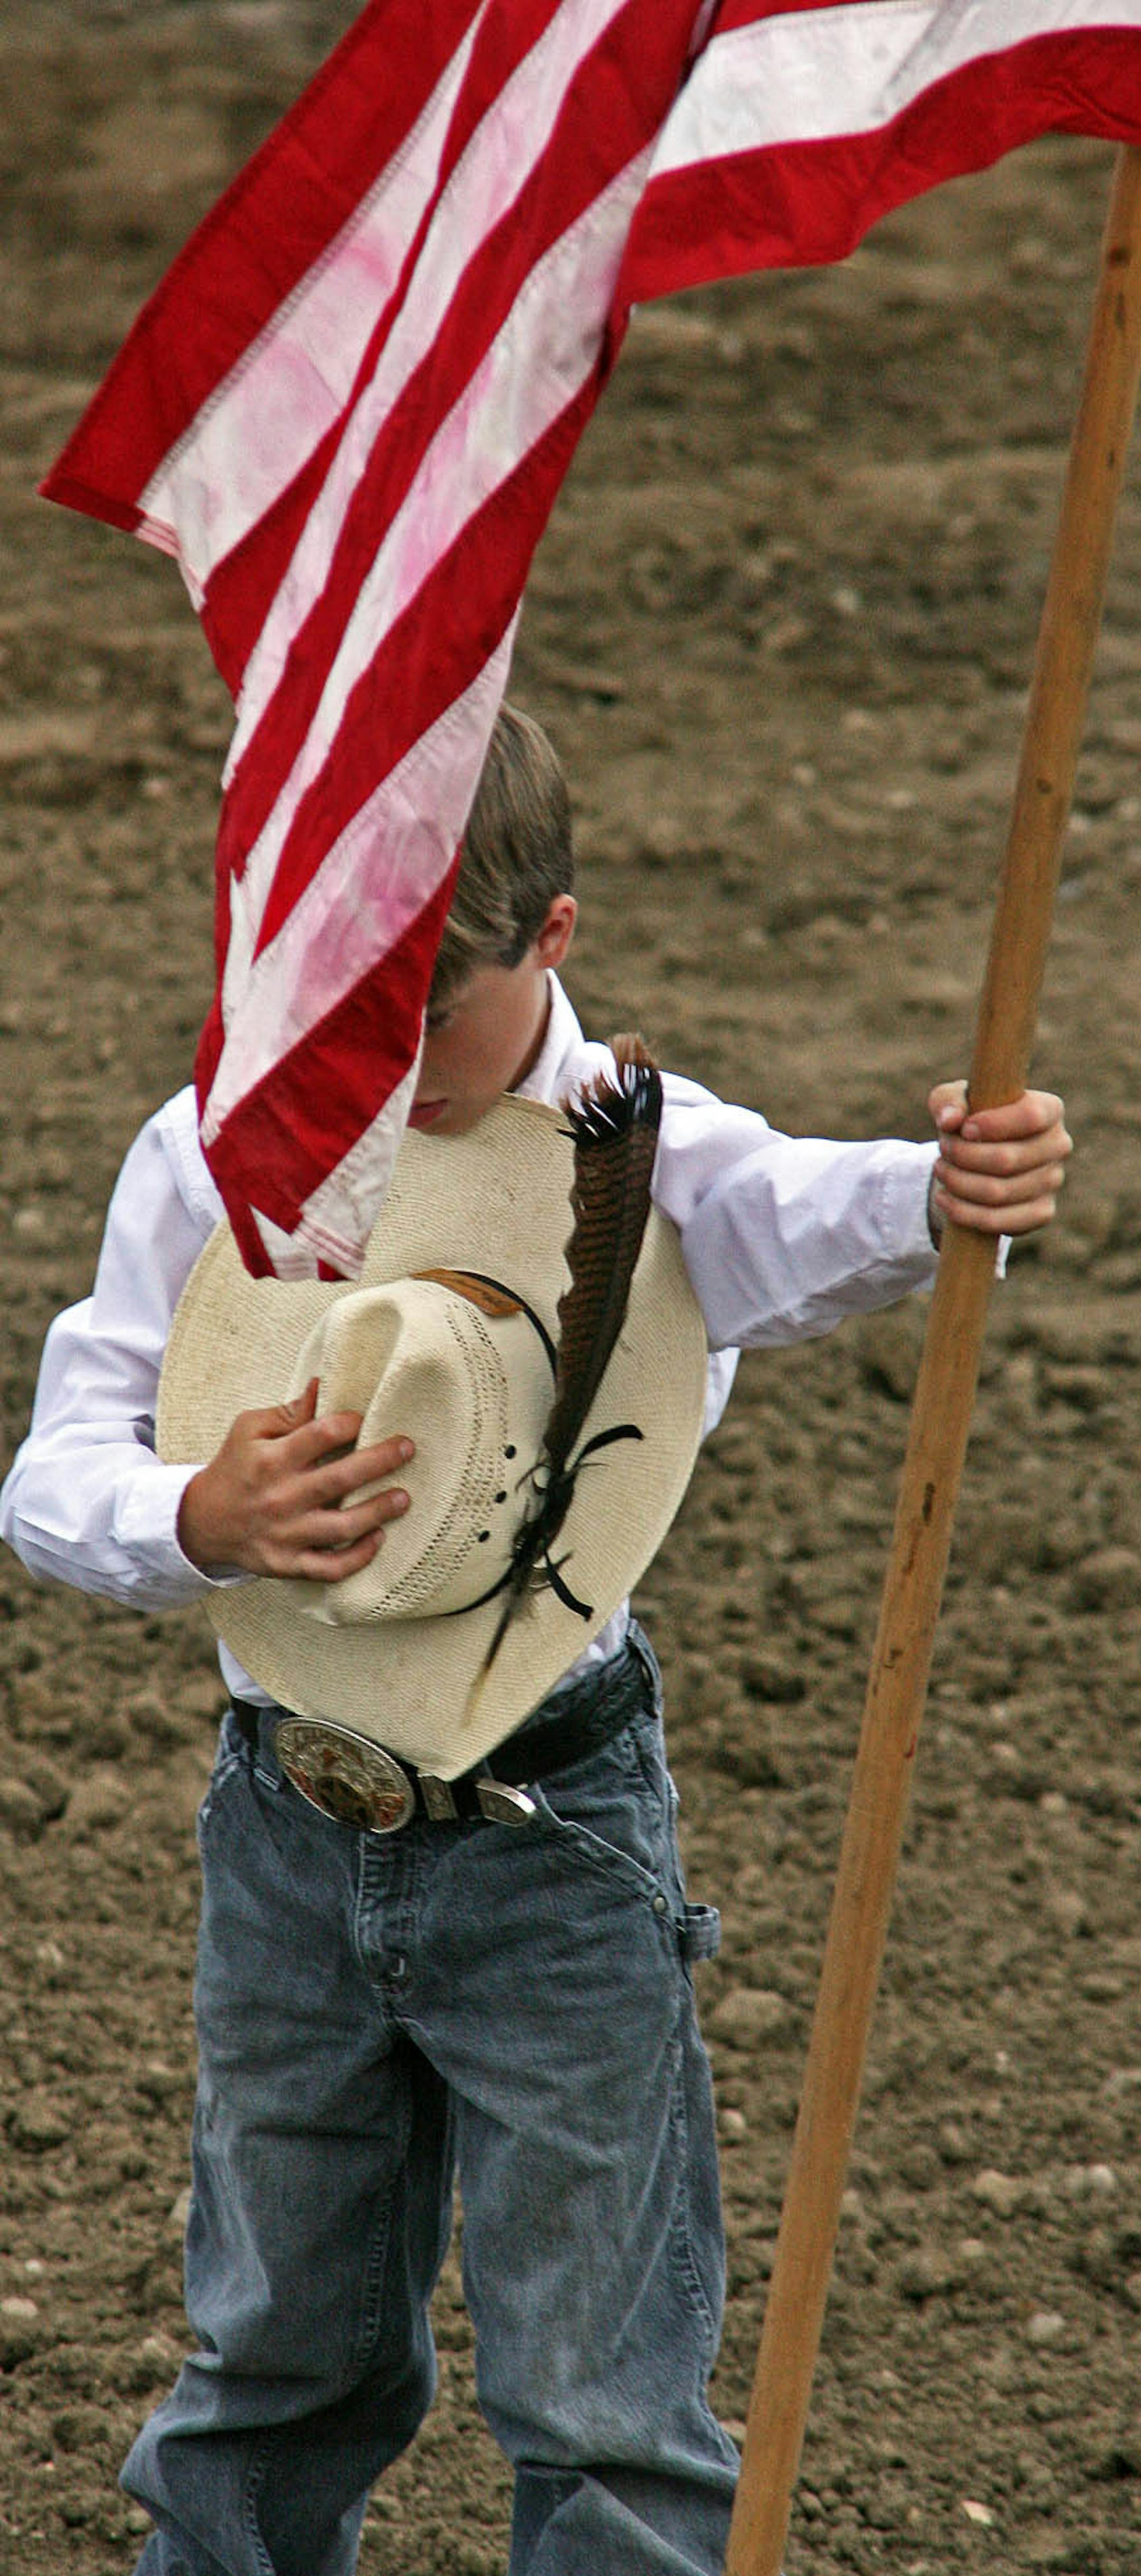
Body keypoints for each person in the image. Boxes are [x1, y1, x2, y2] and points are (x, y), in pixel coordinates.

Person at [0, 706, 1071, 2576]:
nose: (380, 1065)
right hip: (287, 1826)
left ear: (552, 938)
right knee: (272, 2348)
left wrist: (938, 1187)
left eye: (425, 1015)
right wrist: (199, 1517)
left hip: (552, 1837)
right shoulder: (215, 1146)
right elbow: (54, 1467)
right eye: (337, 1007)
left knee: (599, 2392)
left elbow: (796, 1208)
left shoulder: (639, 1156)